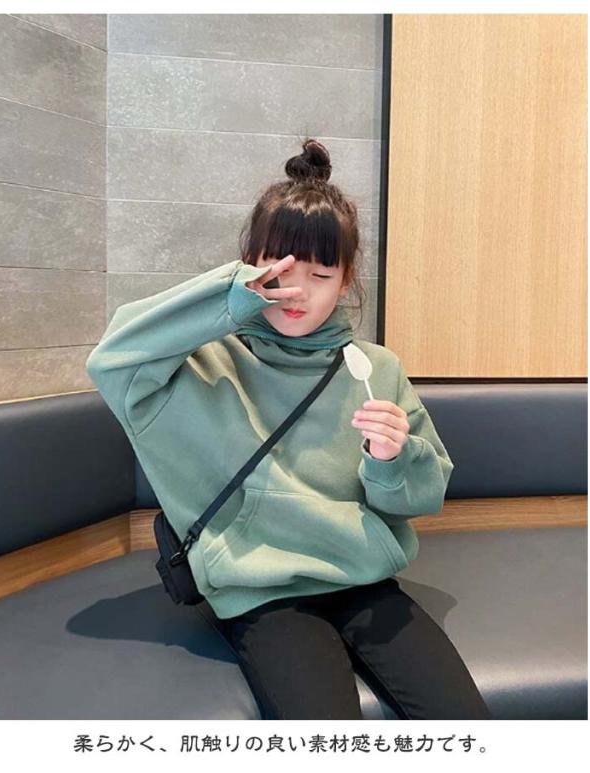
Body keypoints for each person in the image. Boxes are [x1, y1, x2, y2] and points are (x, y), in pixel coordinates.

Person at [86, 138, 492, 721]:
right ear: (249, 266)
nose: (297, 292)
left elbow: (420, 499)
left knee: (466, 728)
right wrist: (228, 299)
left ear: (346, 281)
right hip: (263, 593)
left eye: (321, 274)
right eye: (280, 271)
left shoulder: (374, 368)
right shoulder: (197, 369)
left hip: (363, 580)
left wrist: (391, 460)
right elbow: (112, 360)